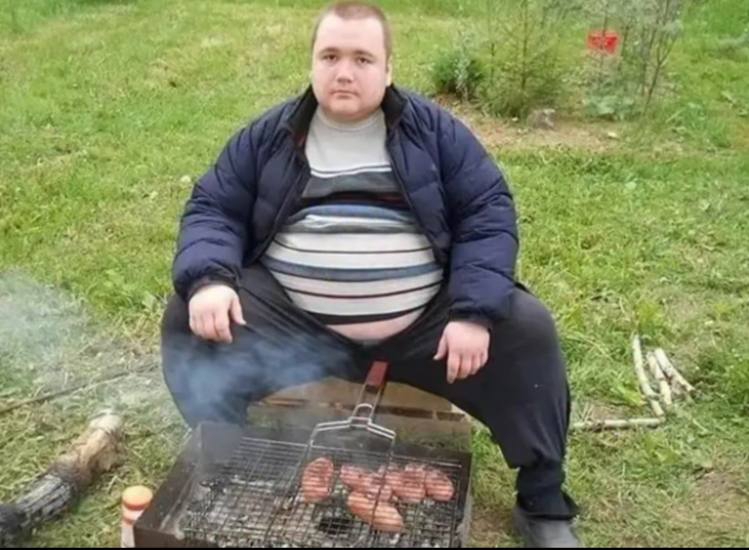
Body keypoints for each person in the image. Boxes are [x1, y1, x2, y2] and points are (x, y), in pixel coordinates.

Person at [160, 1, 581, 546]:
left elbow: (487, 212)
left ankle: (543, 501)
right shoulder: (269, 135)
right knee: (188, 316)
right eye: (330, 56)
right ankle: (228, 455)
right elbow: (213, 207)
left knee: (526, 330)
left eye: (362, 59)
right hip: (298, 330)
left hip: (424, 334)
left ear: (388, 69)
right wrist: (210, 280)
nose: (344, 72)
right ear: (312, 63)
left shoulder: (435, 132)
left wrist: (473, 312)